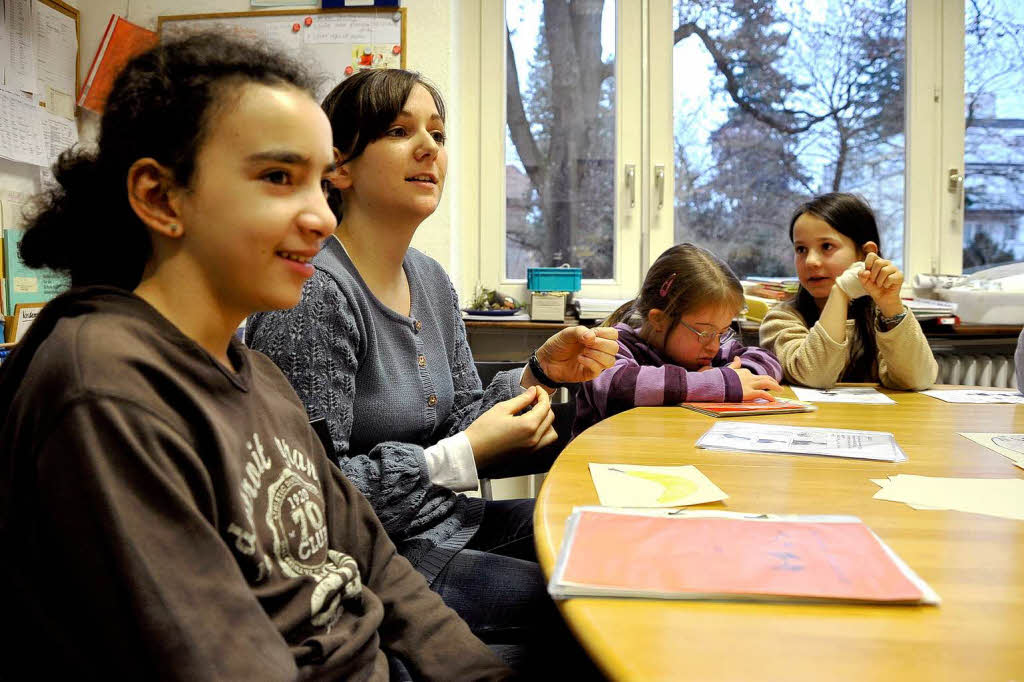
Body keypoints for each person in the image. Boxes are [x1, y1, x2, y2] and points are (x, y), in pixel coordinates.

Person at [0, 35, 511, 680]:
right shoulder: (102, 386)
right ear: (161, 197)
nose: (322, 218)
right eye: (278, 178)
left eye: (317, 181)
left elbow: (377, 564)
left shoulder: (256, 375)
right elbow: (212, 655)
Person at [244, 68, 616, 675]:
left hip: (447, 523)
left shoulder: (432, 280)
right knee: (583, 612)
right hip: (378, 562)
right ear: (339, 168)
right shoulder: (315, 295)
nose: (429, 149)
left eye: (438, 134)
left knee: (605, 543)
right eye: (399, 131)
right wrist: (461, 457)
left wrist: (537, 375)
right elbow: (309, 501)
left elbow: (463, 412)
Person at [573, 243, 783, 436]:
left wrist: (739, 376)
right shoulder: (611, 347)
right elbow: (616, 389)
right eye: (705, 333)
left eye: (722, 332)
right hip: (601, 468)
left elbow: (767, 359)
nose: (714, 345)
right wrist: (715, 383)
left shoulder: (707, 349)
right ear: (659, 320)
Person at [760, 192, 937, 390]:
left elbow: (917, 380)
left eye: (826, 246)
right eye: (801, 249)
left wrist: (891, 306)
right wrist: (840, 292)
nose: (810, 261)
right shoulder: (781, 318)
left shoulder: (879, 317)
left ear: (865, 253)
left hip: (875, 421)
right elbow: (815, 376)